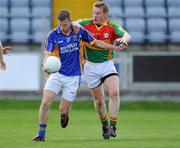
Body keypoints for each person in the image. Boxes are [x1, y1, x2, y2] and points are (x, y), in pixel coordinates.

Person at [32, 10, 127, 142]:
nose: (62, 28)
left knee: (63, 111)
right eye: (60, 25)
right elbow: (48, 53)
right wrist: (45, 64)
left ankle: (65, 114)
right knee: (45, 102)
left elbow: (96, 42)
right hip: (57, 74)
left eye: (65, 25)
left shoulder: (80, 32)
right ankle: (41, 134)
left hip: (73, 77)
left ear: (70, 22)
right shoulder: (53, 34)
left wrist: (113, 47)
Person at [77, 1, 131, 139]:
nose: (95, 16)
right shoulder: (85, 24)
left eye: (98, 13)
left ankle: (113, 125)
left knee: (114, 92)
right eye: (93, 13)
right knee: (99, 101)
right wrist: (75, 25)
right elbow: (73, 24)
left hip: (107, 64)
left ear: (105, 14)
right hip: (90, 67)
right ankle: (104, 125)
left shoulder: (112, 26)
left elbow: (126, 34)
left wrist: (124, 39)